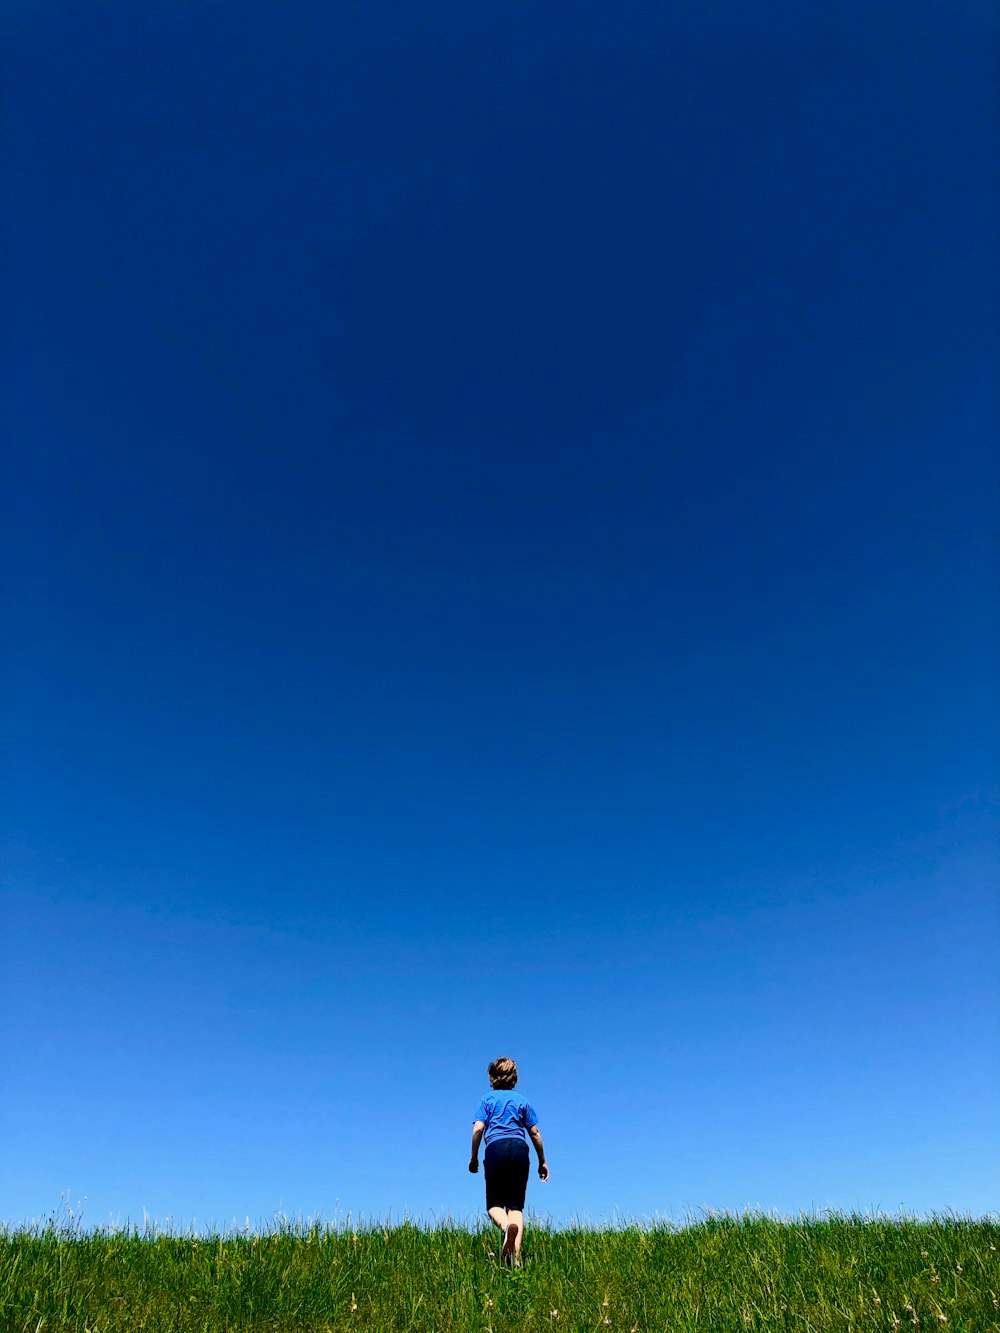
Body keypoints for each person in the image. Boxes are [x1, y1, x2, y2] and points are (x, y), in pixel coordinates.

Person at [468, 1056, 549, 1265]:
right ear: (514, 1079)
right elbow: (535, 1133)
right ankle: (516, 1262)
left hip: (495, 1148)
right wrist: (542, 1161)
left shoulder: (486, 1100)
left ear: (492, 1078)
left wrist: (474, 1157)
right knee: (516, 1208)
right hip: (520, 1150)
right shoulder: (522, 1101)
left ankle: (506, 1229)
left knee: (494, 1206)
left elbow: (478, 1129)